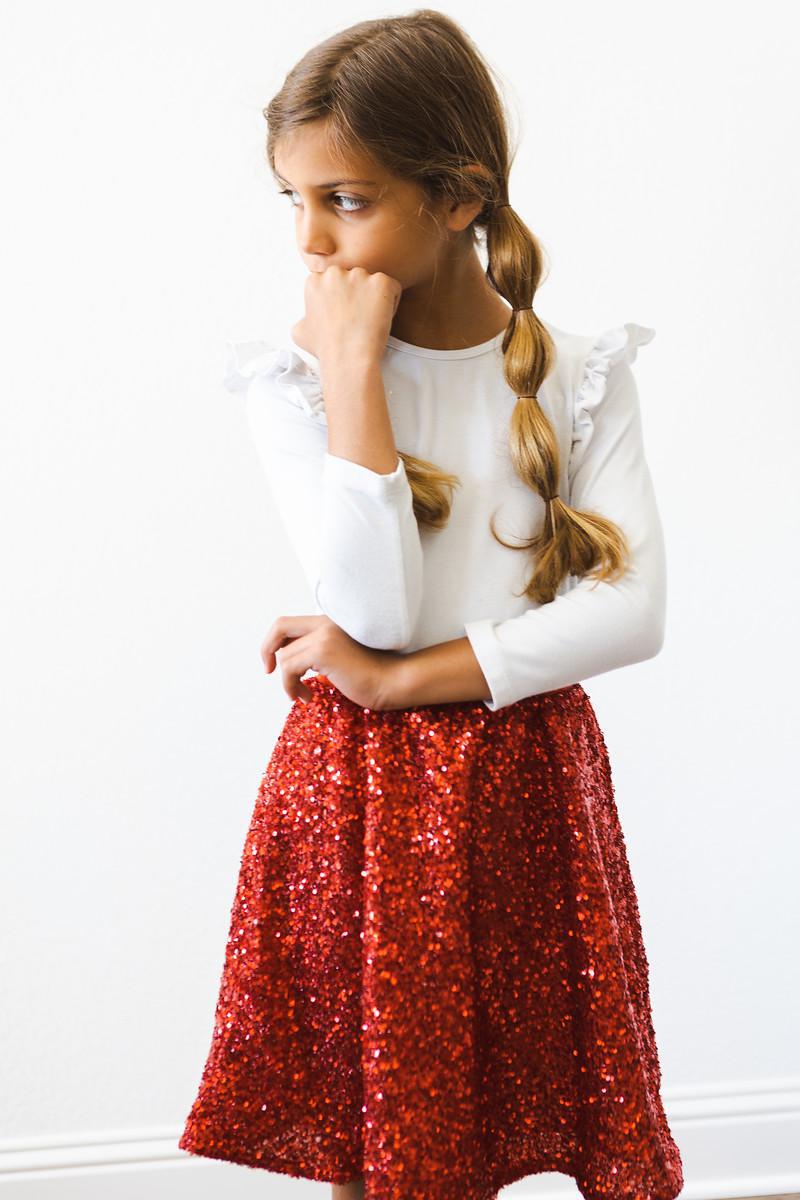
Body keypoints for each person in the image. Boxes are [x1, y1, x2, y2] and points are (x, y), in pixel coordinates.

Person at [178, 11, 684, 1200]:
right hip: (356, 799)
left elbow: (632, 613)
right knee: (376, 1140)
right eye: (294, 201)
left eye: (344, 200)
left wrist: (399, 681)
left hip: (526, 789)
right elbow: (377, 610)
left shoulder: (579, 375)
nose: (309, 241)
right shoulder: (294, 381)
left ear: (457, 196)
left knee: (507, 1115)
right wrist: (352, 371)